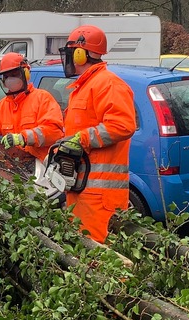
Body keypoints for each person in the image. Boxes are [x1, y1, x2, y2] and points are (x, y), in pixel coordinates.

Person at [56, 25, 136, 244]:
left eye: (72, 53)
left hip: (100, 197)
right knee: (82, 254)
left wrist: (81, 139)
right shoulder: (84, 87)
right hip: (82, 190)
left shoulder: (108, 84)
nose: (69, 59)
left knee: (100, 259)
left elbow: (123, 124)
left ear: (81, 54)